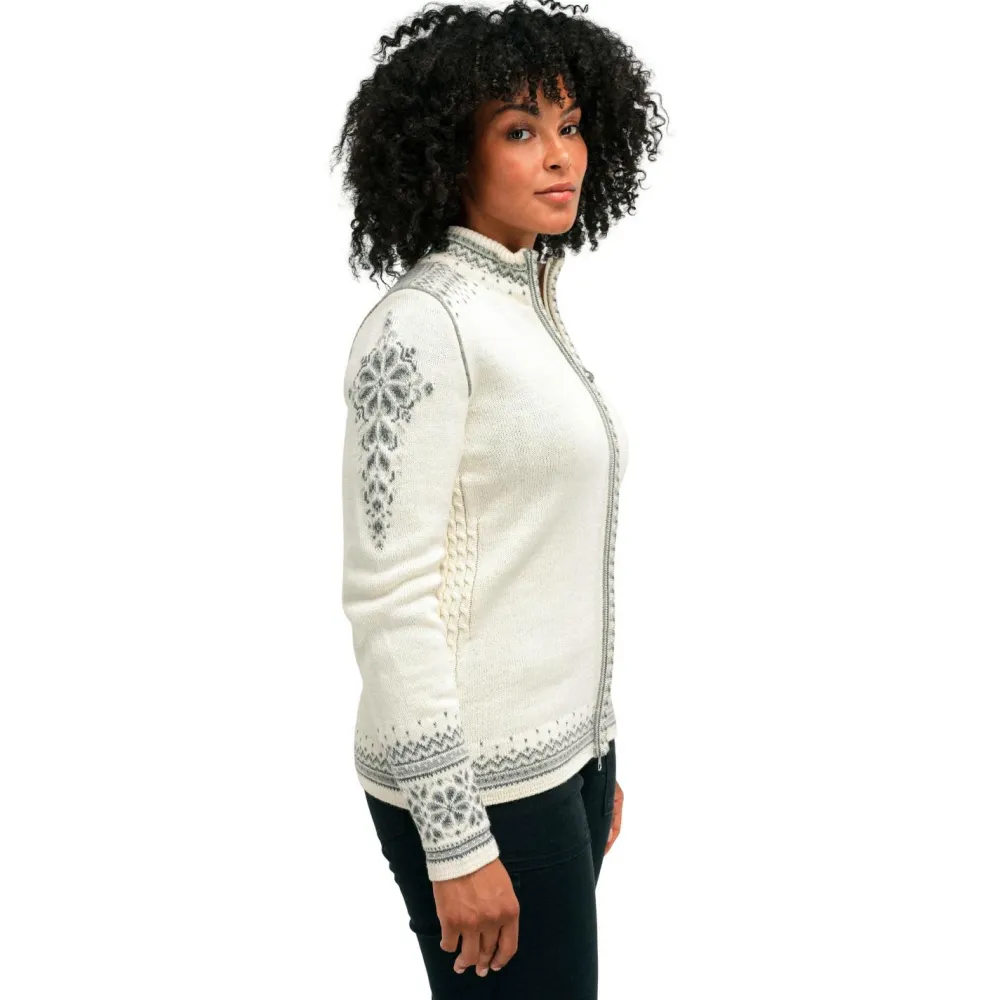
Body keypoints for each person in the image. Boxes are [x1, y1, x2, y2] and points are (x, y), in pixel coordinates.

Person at [330, 1, 667, 994]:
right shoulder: (422, 325)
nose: (561, 155)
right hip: (475, 786)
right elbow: (387, 602)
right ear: (449, 153)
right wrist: (455, 838)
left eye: (571, 125)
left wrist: (592, 757)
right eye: (521, 131)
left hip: (557, 772)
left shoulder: (521, 299)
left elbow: (537, 559)